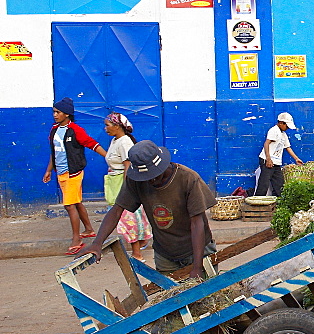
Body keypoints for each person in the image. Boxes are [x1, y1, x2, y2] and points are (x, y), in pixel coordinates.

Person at [77, 141, 217, 278]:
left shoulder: (188, 179)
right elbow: (117, 210)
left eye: (154, 176)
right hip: (165, 254)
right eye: (146, 177)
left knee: (206, 296)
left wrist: (197, 267)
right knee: (170, 298)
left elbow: (197, 223)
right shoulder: (137, 181)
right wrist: (97, 243)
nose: (151, 181)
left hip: (197, 251)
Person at [43, 97, 107, 255]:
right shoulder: (54, 130)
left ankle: (76, 240)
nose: (55, 115)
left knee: (69, 205)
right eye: (54, 112)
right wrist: (49, 170)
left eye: (58, 112)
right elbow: (54, 153)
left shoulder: (76, 130)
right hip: (62, 174)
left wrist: (109, 158)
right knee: (76, 203)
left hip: (74, 173)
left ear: (67, 114)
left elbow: (92, 144)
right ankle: (89, 229)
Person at [103, 112, 152, 262]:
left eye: (108, 125)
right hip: (114, 182)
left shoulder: (124, 142)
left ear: (117, 127)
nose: (105, 128)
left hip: (122, 184)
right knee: (126, 218)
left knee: (127, 218)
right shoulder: (115, 141)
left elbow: (128, 167)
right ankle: (140, 243)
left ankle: (137, 253)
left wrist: (127, 189)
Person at [255, 113, 303, 197]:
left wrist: (296, 159)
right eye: (286, 126)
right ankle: (258, 203)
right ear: (281, 123)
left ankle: (280, 202)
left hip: (276, 162)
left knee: (279, 184)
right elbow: (266, 144)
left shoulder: (283, 134)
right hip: (267, 160)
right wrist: (268, 159)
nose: (287, 128)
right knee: (264, 183)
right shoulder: (274, 130)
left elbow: (288, 147)